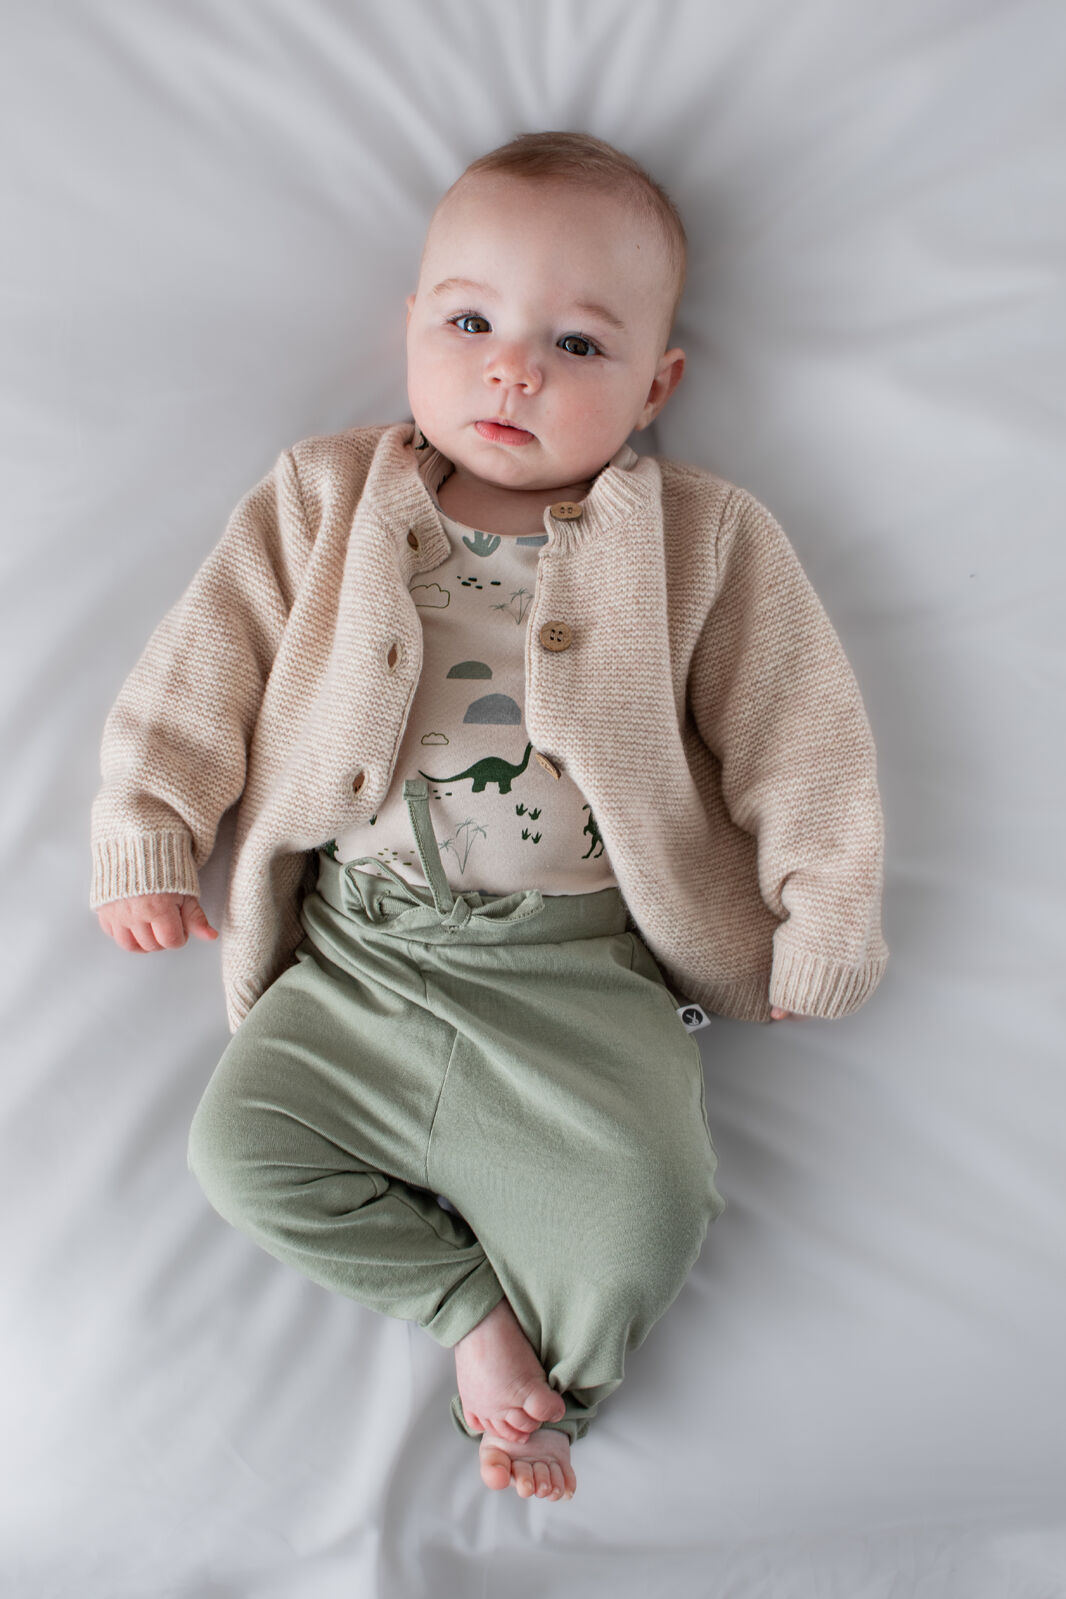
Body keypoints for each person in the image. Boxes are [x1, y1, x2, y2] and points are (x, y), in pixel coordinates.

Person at [90, 131, 888, 1505]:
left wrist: (825, 912)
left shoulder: (703, 539)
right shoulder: (324, 500)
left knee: (652, 1208)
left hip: (579, 978)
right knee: (240, 1151)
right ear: (410, 330)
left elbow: (801, 735)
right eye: (470, 324)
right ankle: (466, 1314)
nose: (513, 367)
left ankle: (539, 1401)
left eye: (578, 346)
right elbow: (196, 670)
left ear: (659, 383)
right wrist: (150, 833)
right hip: (361, 961)